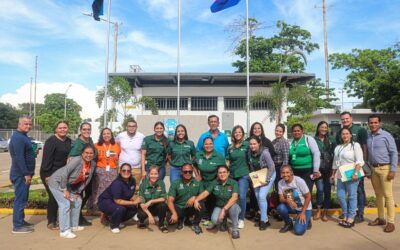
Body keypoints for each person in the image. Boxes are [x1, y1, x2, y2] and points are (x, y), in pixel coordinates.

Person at [48, 145, 96, 239]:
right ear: (82, 153)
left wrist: (78, 191)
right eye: (86, 153)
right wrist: (64, 189)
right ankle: (64, 231)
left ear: (93, 154)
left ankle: (73, 226)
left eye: (91, 153)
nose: (88, 155)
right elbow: (65, 172)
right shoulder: (77, 160)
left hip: (69, 185)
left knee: (77, 200)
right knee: (65, 203)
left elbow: (87, 179)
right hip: (56, 182)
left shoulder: (92, 164)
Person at [367, 114, 398, 233]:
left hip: (385, 168)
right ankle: (381, 218)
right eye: (371, 123)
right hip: (374, 169)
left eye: (375, 122)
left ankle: (391, 222)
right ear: (368, 124)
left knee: (388, 196)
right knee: (378, 195)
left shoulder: (386, 136)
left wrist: (393, 170)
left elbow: (394, 153)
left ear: (379, 123)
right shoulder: (369, 136)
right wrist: (369, 170)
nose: (373, 124)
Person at [336, 111, 368, 223]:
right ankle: (348, 213)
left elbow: (364, 147)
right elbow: (338, 150)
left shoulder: (360, 130)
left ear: (351, 118)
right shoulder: (339, 132)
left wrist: (360, 167)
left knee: (358, 191)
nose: (345, 121)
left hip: (356, 168)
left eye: (347, 118)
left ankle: (359, 213)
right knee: (344, 194)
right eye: (343, 119)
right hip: (343, 171)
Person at [40, 120, 72, 230]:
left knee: (61, 196)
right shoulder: (51, 141)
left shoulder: (69, 141)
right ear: (56, 129)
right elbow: (46, 160)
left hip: (61, 174)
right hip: (49, 172)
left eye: (65, 127)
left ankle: (58, 219)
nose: (63, 129)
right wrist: (48, 176)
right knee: (54, 196)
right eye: (60, 128)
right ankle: (51, 222)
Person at [194, 165, 241, 239]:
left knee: (234, 208)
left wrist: (224, 209)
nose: (222, 174)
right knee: (215, 220)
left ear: (228, 173)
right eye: (220, 173)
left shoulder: (233, 183)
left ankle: (235, 229)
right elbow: (205, 193)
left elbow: (234, 198)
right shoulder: (214, 183)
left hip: (232, 206)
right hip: (219, 206)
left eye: (224, 172)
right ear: (217, 174)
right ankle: (223, 222)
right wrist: (196, 200)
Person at [330, 128, 364, 228]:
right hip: (341, 175)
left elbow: (360, 161)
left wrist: (355, 173)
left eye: (347, 134)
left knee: (352, 196)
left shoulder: (355, 145)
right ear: (341, 136)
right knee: (340, 196)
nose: (345, 136)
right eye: (343, 134)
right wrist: (332, 174)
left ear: (350, 135)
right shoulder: (338, 147)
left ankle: (351, 217)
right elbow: (335, 163)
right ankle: (345, 214)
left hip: (352, 174)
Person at [9, 115, 35, 234]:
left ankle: (21, 221)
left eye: (30, 124)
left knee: (23, 198)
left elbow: (23, 154)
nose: (28, 126)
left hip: (23, 174)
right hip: (21, 175)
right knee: (20, 199)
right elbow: (19, 157)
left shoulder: (23, 136)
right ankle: (17, 226)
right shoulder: (18, 137)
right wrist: (26, 174)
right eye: (26, 124)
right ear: (19, 125)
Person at [97, 163, 142, 233]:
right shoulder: (117, 183)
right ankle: (113, 226)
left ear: (131, 171)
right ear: (120, 172)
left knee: (133, 209)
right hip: (105, 202)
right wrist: (134, 202)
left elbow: (130, 193)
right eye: (124, 170)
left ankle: (116, 219)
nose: (126, 172)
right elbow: (117, 201)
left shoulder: (132, 180)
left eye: (128, 170)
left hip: (116, 202)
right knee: (120, 208)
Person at [69, 122, 96, 226]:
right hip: (79, 174)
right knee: (78, 195)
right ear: (80, 131)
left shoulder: (90, 140)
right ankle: (77, 217)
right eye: (84, 129)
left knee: (88, 193)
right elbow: (71, 158)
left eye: (88, 129)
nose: (86, 131)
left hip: (88, 173)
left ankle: (79, 215)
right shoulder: (77, 143)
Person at [88, 128, 120, 216]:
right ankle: (95, 208)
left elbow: (118, 158)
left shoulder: (116, 146)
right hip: (99, 171)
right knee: (97, 190)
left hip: (112, 171)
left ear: (111, 135)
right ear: (101, 135)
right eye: (104, 134)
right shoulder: (96, 145)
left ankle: (108, 208)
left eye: (108, 133)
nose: (106, 135)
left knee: (110, 191)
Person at [193, 136, 226, 225]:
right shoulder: (199, 155)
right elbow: (194, 165)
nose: (208, 145)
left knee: (213, 199)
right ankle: (204, 216)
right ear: (203, 145)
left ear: (213, 144)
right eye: (206, 144)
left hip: (215, 181)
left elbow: (223, 169)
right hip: (202, 181)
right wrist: (197, 175)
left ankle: (217, 217)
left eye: (210, 143)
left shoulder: (219, 156)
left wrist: (217, 180)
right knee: (202, 198)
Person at [167, 164, 205, 235]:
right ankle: (181, 219)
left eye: (190, 172)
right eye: (185, 172)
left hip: (191, 208)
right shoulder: (176, 183)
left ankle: (196, 224)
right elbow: (170, 201)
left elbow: (203, 196)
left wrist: (195, 198)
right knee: (170, 220)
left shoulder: (197, 182)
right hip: (179, 207)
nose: (188, 173)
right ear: (181, 172)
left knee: (201, 204)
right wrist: (174, 213)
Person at [248, 136, 276, 230]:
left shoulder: (265, 152)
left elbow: (272, 167)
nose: (252, 146)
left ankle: (263, 220)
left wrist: (267, 180)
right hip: (258, 175)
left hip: (269, 174)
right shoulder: (249, 153)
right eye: (251, 144)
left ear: (259, 143)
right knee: (257, 196)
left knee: (261, 196)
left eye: (254, 144)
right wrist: (253, 180)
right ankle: (266, 219)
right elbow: (252, 168)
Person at [226, 125, 250, 229]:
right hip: (232, 175)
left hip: (244, 175)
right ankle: (233, 216)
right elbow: (228, 161)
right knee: (232, 197)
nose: (237, 134)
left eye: (240, 132)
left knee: (243, 197)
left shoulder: (247, 145)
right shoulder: (230, 147)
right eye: (235, 132)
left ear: (243, 134)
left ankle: (241, 219)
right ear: (233, 135)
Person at [277, 166, 312, 235]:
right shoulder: (280, 183)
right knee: (280, 208)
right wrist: (287, 200)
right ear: (281, 174)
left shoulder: (299, 181)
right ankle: (289, 224)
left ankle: (307, 219)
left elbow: (308, 196)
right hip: (293, 206)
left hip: (304, 208)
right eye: (283, 173)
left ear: (291, 173)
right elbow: (281, 199)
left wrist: (302, 213)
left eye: (287, 172)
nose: (285, 175)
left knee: (298, 231)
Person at [313, 121, 335, 221]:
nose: (324, 129)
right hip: (318, 170)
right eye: (322, 127)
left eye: (326, 127)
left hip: (329, 169)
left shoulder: (331, 140)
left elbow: (334, 155)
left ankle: (325, 212)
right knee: (320, 190)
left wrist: (334, 171)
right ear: (318, 128)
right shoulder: (313, 140)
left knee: (327, 191)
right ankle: (318, 210)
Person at [289, 124, 321, 192]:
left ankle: (308, 203)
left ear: (302, 131)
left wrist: (316, 170)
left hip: (307, 170)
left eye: (298, 131)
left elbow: (316, 153)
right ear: (292, 132)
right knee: (297, 191)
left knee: (307, 191)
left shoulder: (308, 139)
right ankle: (299, 203)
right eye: (294, 131)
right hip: (295, 171)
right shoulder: (291, 142)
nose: (296, 132)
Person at [137, 166, 168, 233]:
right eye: (152, 174)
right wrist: (150, 216)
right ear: (148, 174)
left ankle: (161, 224)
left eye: (156, 174)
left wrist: (151, 201)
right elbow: (142, 203)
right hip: (145, 208)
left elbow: (164, 198)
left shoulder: (161, 183)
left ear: (158, 175)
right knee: (141, 214)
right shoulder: (143, 184)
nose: (153, 176)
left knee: (163, 205)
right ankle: (141, 221)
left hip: (155, 207)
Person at [116, 119, 145, 189]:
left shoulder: (142, 137)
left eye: (133, 126)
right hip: (123, 168)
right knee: (122, 188)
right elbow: (115, 147)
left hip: (137, 168)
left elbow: (144, 152)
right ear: (126, 127)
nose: (131, 128)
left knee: (135, 188)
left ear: (136, 127)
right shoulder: (120, 136)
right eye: (129, 126)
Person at [272, 123, 290, 191]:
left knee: (282, 187)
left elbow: (286, 158)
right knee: (276, 186)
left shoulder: (284, 142)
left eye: (280, 131)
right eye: (277, 131)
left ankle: (283, 201)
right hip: (274, 168)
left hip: (281, 167)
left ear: (283, 132)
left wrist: (283, 171)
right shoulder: (273, 142)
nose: (278, 133)